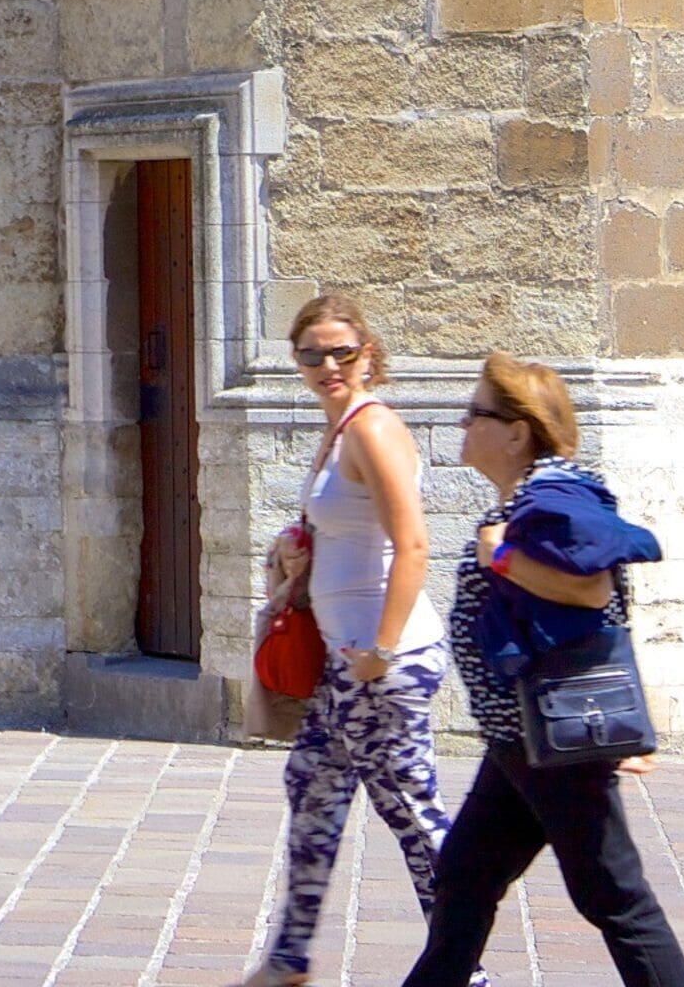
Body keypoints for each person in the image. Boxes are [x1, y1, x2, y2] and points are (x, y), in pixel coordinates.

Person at [395, 357, 684, 987]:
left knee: (614, 897)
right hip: (522, 738)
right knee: (465, 877)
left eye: (476, 412)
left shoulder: (550, 496)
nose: (462, 422)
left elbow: (588, 589)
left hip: (556, 740)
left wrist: (501, 555)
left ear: (516, 431)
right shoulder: (527, 497)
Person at [239, 295, 459, 987]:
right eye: (311, 354)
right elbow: (343, 526)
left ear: (369, 353)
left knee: (416, 818)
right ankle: (290, 955)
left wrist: (381, 652)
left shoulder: (374, 428)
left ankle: (464, 966)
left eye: (342, 352)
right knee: (311, 784)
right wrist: (296, 544)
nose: (328, 365)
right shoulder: (337, 430)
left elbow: (414, 544)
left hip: (382, 662)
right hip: (347, 660)